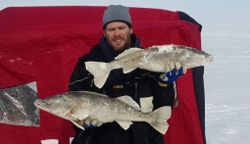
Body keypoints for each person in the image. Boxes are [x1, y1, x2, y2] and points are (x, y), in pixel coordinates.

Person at [69, 5, 184, 144]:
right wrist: (81, 122)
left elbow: (164, 106)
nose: (117, 33)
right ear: (104, 32)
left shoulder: (152, 61)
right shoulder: (86, 65)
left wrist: (164, 84)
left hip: (144, 139)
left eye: (121, 28)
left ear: (130, 29)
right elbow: (72, 104)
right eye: (111, 29)